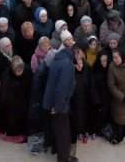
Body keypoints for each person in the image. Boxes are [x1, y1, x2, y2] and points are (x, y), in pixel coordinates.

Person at [44, 31, 77, 162]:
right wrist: (57, 107)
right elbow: (62, 89)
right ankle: (63, 158)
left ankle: (58, 152)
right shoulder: (67, 64)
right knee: (64, 133)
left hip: (52, 102)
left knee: (58, 130)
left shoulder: (58, 59)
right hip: (59, 105)